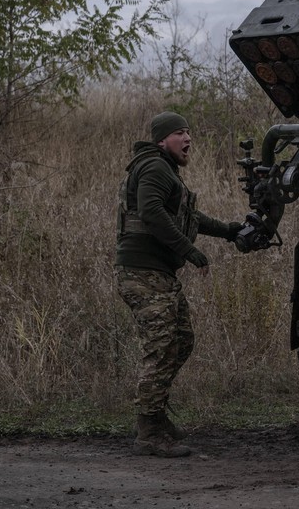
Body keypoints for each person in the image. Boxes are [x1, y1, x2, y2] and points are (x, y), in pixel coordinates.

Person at [114, 111, 244, 457]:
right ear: (162, 140)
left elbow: (190, 217)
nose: (188, 139)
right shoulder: (155, 167)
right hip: (142, 272)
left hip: (159, 274)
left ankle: (154, 417)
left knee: (181, 341)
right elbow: (152, 212)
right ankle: (149, 432)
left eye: (189, 132)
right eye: (179, 133)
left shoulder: (165, 170)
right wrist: (190, 251)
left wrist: (229, 231)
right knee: (161, 347)